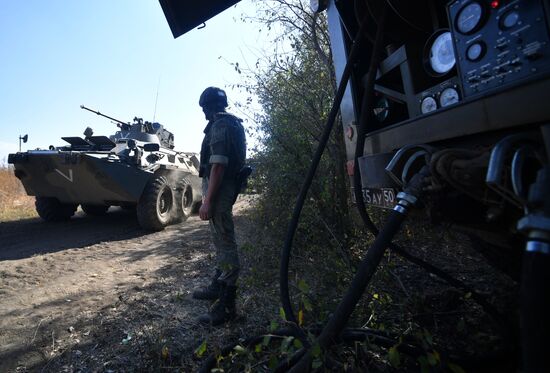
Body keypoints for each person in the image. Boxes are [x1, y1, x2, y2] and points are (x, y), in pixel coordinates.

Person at [193, 86, 246, 326]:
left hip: (220, 191)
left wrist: (208, 201)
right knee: (220, 239)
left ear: (209, 106)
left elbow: (218, 166)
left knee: (226, 242)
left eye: (204, 107)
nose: (203, 112)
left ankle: (227, 308)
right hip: (221, 190)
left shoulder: (221, 125)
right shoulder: (226, 123)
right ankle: (218, 285)